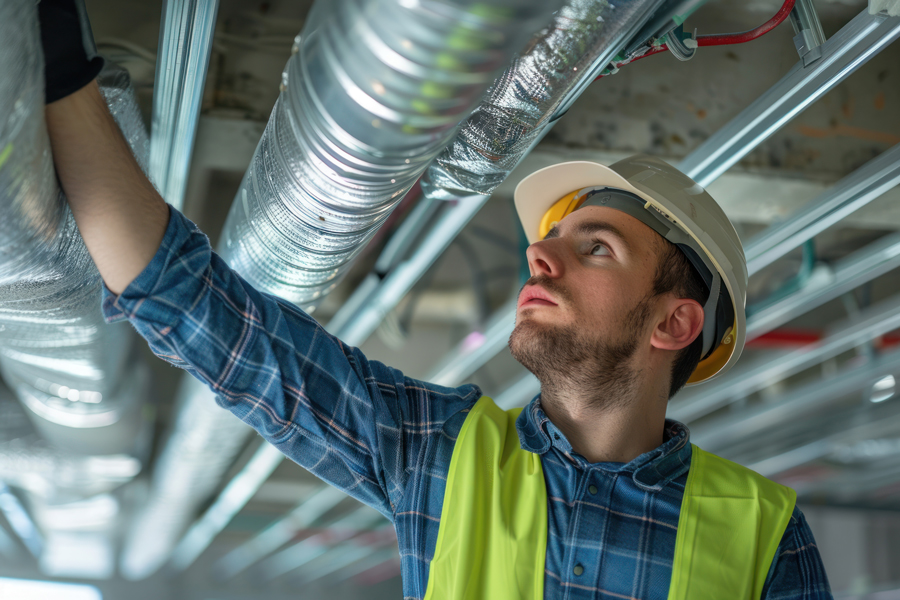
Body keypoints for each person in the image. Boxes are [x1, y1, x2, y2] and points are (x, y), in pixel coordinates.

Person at [37, 1, 832, 598]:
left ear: (675, 321)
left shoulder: (765, 536)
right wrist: (63, 72)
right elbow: (193, 306)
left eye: (596, 248)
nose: (540, 255)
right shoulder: (440, 452)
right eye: (553, 240)